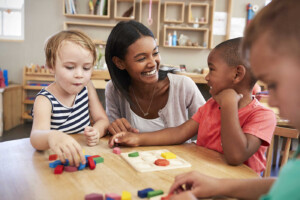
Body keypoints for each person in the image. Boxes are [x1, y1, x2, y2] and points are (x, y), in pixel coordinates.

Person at [169, 0, 300, 199]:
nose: (271, 101)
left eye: (273, 84)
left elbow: (236, 156)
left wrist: (230, 103)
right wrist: (219, 186)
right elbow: (282, 186)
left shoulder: (259, 114)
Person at [109, 37, 277, 174]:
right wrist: (138, 138)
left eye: (212, 69)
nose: (207, 77)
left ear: (237, 74)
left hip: (238, 191)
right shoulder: (211, 106)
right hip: (205, 179)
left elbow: (235, 156)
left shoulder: (262, 116)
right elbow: (179, 132)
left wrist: (229, 105)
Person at [105, 20, 205, 135]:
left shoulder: (183, 85)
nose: (152, 63)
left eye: (155, 53)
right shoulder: (114, 89)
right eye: (142, 58)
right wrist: (112, 128)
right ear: (119, 63)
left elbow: (208, 124)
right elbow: (113, 134)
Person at [30, 30, 109, 167]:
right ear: (51, 66)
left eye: (86, 68)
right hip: (56, 159)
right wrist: (52, 136)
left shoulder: (87, 87)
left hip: (83, 156)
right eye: (70, 67)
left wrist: (97, 131)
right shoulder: (45, 100)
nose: (79, 74)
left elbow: (103, 120)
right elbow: (36, 137)